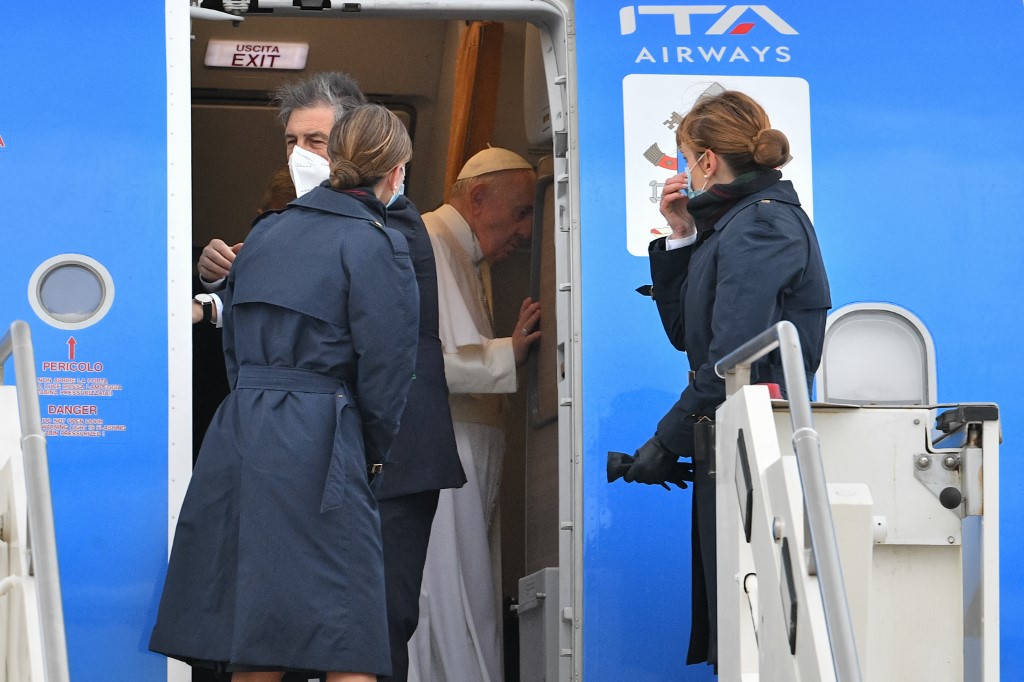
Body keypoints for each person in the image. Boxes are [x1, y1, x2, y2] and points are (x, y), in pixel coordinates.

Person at [194, 72, 466, 682]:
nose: (302, 156)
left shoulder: (390, 225)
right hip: (314, 448)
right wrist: (222, 283)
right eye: (292, 141)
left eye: (317, 141)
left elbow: (368, 342)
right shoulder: (289, 227)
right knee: (276, 621)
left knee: (373, 626)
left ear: (353, 148)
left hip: (386, 456)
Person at [151, 103, 419, 681]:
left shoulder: (265, 233)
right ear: (395, 170)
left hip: (243, 429)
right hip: (325, 431)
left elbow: (234, 350)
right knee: (350, 631)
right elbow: (388, 369)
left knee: (258, 624)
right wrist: (371, 451)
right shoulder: (376, 242)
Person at [623, 90, 831, 670]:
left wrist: (666, 440)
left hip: (757, 448)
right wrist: (682, 237)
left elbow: (729, 357)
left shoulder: (761, 224)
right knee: (739, 625)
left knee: (756, 629)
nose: (688, 171)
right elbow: (688, 335)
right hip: (735, 441)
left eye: (689, 158)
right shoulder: (736, 225)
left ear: (708, 161)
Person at [407, 148, 541, 682]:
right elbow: (420, 362)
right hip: (445, 449)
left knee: (473, 591)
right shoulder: (428, 242)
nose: (526, 231)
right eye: (522, 212)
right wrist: (509, 352)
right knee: (445, 592)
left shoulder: (464, 253)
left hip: (469, 452)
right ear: (479, 197)